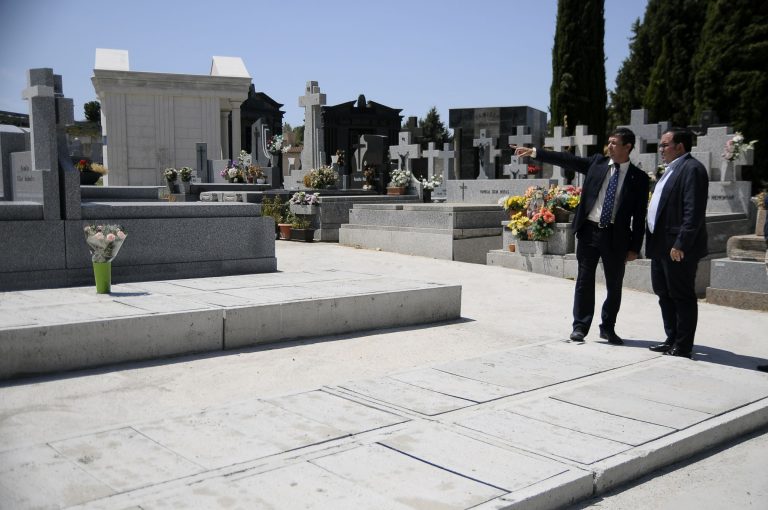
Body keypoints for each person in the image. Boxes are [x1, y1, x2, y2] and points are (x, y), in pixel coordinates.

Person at [513, 127, 649, 345]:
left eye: (615, 143)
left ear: (627, 147)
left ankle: (608, 328)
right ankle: (580, 327)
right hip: (589, 232)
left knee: (614, 285)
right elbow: (568, 159)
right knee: (584, 282)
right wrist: (535, 153)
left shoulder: (639, 178)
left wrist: (635, 247)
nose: (610, 146)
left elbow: (640, 215)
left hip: (617, 236)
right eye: (609, 141)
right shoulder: (597, 163)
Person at [646, 128, 709, 358]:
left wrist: (681, 243)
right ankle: (671, 337)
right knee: (664, 293)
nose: (660, 149)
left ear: (680, 146)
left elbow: (693, 212)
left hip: (677, 248)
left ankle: (683, 345)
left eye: (664, 145)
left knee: (681, 295)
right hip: (660, 245)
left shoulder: (692, 169)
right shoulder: (671, 170)